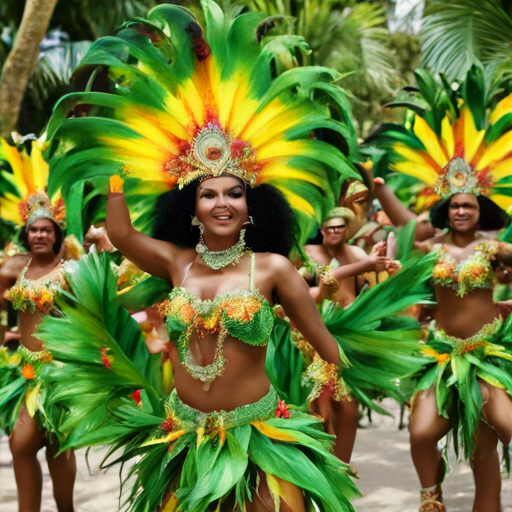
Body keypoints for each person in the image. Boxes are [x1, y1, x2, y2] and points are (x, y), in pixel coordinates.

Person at [38, 2, 366, 510]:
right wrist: (119, 167)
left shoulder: (272, 268)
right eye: (208, 194)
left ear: (251, 207)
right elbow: (121, 234)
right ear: (190, 208)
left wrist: (323, 408)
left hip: (259, 435)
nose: (222, 203)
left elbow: (325, 345)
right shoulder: (177, 262)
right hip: (183, 437)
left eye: (234, 194)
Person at [367, 65, 512, 512]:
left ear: (479, 207)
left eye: (468, 204)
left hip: (488, 356)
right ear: (446, 210)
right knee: (422, 431)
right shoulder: (431, 246)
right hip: (442, 355)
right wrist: (377, 186)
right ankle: (431, 497)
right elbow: (406, 223)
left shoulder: (497, 248)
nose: (461, 211)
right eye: (454, 206)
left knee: (498, 436)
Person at [1, 192, 76, 512]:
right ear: (26, 234)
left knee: (58, 448)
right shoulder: (12, 267)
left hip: (61, 372)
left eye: (47, 229)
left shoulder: (71, 270)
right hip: (25, 371)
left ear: (57, 234)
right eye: (34, 229)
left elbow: (94, 313)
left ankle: (65, 509)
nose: (40, 235)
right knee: (20, 445)